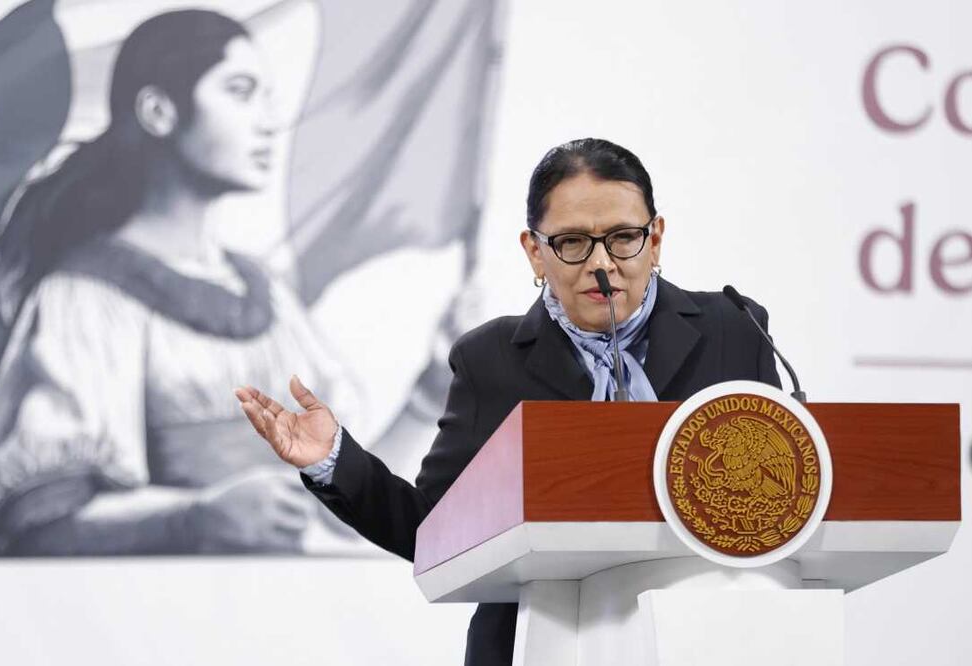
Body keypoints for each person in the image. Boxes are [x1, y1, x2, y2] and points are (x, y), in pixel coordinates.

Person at [235, 138, 781, 665]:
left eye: (622, 237)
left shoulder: (734, 329)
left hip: (708, 637)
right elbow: (433, 530)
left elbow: (783, 504)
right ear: (535, 252)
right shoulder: (491, 360)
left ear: (655, 239)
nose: (601, 263)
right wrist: (335, 458)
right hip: (533, 642)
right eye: (572, 242)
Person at [0, 9, 363, 557]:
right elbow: (40, 519)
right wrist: (197, 518)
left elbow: (353, 493)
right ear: (159, 111)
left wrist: (433, 389)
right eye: (240, 92)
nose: (268, 122)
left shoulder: (265, 294)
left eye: (267, 96)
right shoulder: (85, 298)